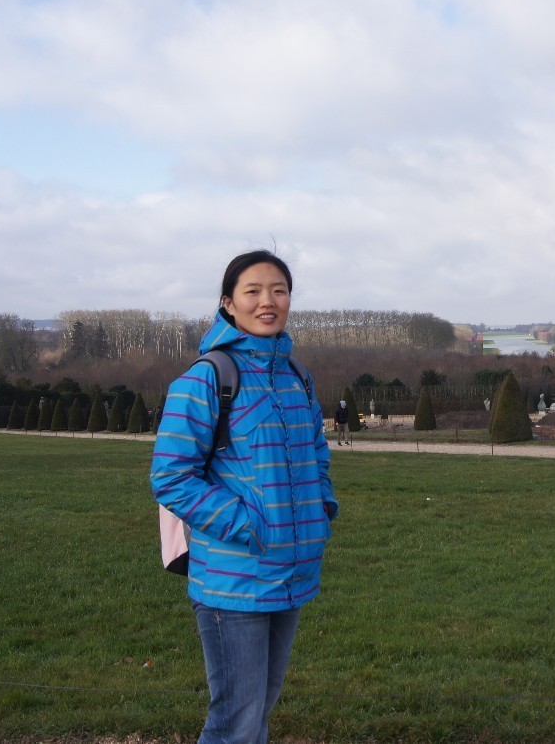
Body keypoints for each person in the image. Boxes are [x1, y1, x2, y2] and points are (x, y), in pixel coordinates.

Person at [151, 250, 338, 744]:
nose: (267, 301)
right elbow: (170, 478)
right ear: (228, 304)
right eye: (252, 291)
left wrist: (322, 512)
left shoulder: (296, 376)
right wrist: (248, 524)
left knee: (258, 711)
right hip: (232, 581)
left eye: (278, 290)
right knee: (236, 718)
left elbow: (317, 456)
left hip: (293, 570)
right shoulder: (206, 379)